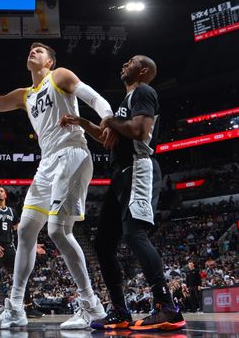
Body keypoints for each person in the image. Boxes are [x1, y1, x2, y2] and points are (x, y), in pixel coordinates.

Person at [0, 42, 113, 330]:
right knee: (25, 231)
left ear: (49, 61)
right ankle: (16, 309)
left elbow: (94, 98)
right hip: (47, 163)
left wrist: (107, 118)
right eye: (31, 50)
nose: (33, 52)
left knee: (58, 230)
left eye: (40, 51)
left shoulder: (58, 75)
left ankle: (92, 306)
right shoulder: (25, 95)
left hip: (72, 153)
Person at [72, 55, 186, 331]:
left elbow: (137, 130)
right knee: (102, 243)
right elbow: (108, 135)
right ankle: (120, 310)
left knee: (135, 233)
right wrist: (81, 122)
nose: (125, 62)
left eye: (132, 61)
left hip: (139, 168)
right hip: (120, 175)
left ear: (143, 70)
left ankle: (166, 305)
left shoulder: (144, 91)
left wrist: (110, 121)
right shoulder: (125, 103)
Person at [0, 186, 43, 320]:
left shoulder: (12, 211)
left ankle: (29, 308)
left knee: (21, 276)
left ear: (5, 195)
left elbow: (20, 230)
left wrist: (32, 244)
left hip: (9, 247)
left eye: (1, 191)